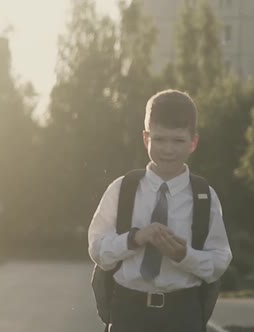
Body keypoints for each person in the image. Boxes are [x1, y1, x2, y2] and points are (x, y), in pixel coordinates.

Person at [88, 89, 232, 332]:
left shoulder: (203, 196)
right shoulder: (123, 189)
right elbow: (98, 250)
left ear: (193, 142)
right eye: (160, 139)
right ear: (146, 139)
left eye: (178, 140)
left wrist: (184, 256)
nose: (168, 149)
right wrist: (134, 238)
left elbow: (219, 262)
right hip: (129, 311)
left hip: (182, 313)